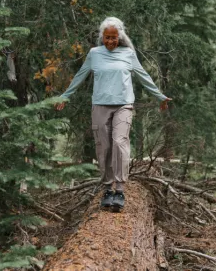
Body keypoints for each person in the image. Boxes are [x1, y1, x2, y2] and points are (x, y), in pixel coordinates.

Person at [55, 17, 171, 212]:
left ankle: (120, 189)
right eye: (107, 37)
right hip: (100, 105)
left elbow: (143, 75)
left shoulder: (128, 53)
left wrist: (159, 96)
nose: (110, 41)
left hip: (124, 105)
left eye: (114, 37)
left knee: (119, 142)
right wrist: (65, 96)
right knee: (104, 146)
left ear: (120, 37)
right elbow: (80, 76)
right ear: (102, 37)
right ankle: (107, 189)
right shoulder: (94, 54)